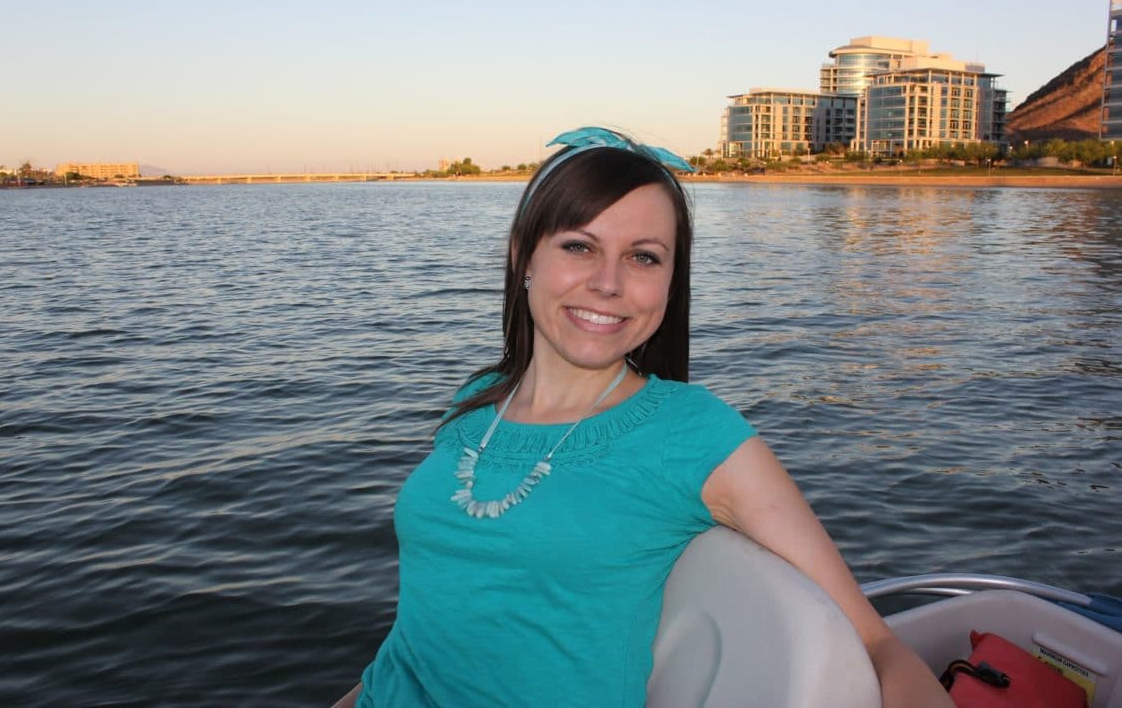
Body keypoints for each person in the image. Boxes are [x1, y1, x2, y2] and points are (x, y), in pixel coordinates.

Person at [334, 127, 952, 708]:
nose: (608, 283)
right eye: (579, 246)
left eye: (644, 257)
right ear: (525, 255)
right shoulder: (479, 399)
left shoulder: (694, 433)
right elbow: (417, 642)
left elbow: (877, 645)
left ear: (671, 280)